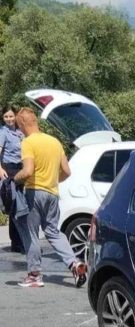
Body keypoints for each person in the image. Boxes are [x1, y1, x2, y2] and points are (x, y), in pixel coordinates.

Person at [13, 108, 86, 288]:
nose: (18, 129)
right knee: (53, 232)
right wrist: (53, 181)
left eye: (18, 125)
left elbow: (28, 171)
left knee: (31, 233)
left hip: (33, 192)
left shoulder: (28, 142)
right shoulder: (55, 142)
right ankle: (74, 263)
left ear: (22, 123)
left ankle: (35, 275)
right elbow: (67, 171)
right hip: (53, 193)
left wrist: (14, 179)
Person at [0, 105, 26, 252]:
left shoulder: (19, 132)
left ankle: (17, 243)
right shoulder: (3, 133)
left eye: (11, 116)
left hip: (20, 168)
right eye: (6, 117)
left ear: (15, 115)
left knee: (19, 207)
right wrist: (0, 169)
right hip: (9, 170)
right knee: (16, 206)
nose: (9, 119)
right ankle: (20, 243)